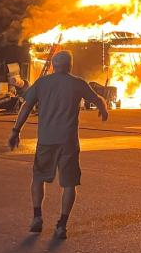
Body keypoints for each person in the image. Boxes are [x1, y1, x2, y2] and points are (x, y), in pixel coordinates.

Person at [8, 50, 109, 239]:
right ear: (70, 65)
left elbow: (26, 106)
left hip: (46, 140)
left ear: (53, 65)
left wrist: (16, 131)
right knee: (69, 184)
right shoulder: (78, 83)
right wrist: (103, 110)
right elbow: (98, 99)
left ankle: (37, 216)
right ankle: (62, 225)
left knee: (38, 178)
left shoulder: (43, 83)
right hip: (68, 142)